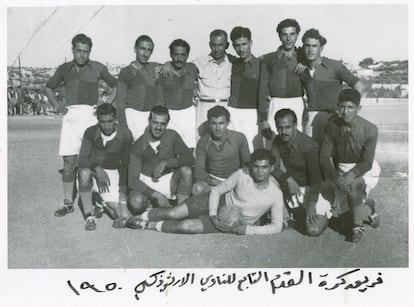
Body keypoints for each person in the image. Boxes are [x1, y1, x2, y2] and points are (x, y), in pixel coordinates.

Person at [126, 149, 284, 235]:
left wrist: (249, 230)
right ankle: (139, 217)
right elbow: (216, 191)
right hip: (219, 201)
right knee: (174, 213)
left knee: (187, 226)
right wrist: (213, 213)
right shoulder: (242, 174)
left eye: (264, 167)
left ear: (272, 168)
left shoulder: (275, 194)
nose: (260, 171)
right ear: (251, 166)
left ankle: (149, 225)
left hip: (233, 221)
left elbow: (277, 226)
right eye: (256, 166)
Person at [44, 33, 117, 217]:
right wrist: (56, 105)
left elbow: (115, 85)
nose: (82, 55)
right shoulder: (64, 69)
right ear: (73, 50)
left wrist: (104, 104)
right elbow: (48, 87)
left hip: (90, 116)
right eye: (79, 51)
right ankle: (68, 202)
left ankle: (98, 199)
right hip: (71, 116)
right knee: (69, 162)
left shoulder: (98, 67)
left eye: (86, 51)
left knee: (93, 160)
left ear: (90, 51)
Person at [319, 89, 380, 243]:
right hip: (341, 170)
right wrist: (335, 178)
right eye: (342, 107)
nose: (345, 112)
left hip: (364, 169)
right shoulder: (331, 127)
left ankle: (358, 226)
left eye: (350, 107)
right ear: (337, 107)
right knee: (343, 224)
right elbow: (324, 157)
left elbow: (366, 161)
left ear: (358, 108)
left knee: (353, 186)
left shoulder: (370, 129)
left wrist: (348, 177)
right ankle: (367, 206)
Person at [272, 108, 332, 236]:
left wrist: (312, 206)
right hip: (294, 187)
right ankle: (291, 214)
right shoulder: (277, 141)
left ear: (295, 125)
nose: (284, 132)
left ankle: (330, 215)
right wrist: (287, 178)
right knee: (269, 179)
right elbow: (272, 166)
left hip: (313, 190)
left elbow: (316, 179)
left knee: (313, 230)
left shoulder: (308, 146)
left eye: (288, 127)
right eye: (280, 128)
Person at [128, 106, 194, 216]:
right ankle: (153, 205)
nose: (158, 127)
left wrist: (166, 163)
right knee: (135, 202)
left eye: (162, 124)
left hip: (168, 180)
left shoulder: (172, 136)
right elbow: (132, 181)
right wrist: (157, 195)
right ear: (149, 121)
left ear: (167, 124)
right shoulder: (138, 145)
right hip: (147, 182)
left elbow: (190, 159)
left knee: (186, 171)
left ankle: (180, 211)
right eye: (155, 122)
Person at [300, 28, 364, 144]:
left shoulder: (335, 66)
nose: (310, 50)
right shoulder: (301, 68)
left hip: (333, 118)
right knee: (311, 156)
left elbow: (359, 85)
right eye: (307, 46)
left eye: (314, 46)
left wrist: (349, 110)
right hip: (310, 120)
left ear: (321, 48)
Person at [77, 103, 132, 230]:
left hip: (112, 173)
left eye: (110, 121)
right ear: (98, 120)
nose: (107, 126)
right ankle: (89, 217)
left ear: (115, 118)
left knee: (120, 215)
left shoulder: (125, 134)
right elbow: (82, 159)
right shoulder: (91, 131)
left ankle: (100, 201)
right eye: (103, 122)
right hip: (92, 170)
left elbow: (125, 165)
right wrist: (97, 168)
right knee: (84, 173)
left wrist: (122, 193)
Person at [259, 18, 306, 145]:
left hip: (297, 104)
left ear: (297, 35)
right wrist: (262, 119)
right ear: (279, 36)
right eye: (284, 34)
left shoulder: (304, 57)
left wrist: (305, 62)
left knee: (297, 143)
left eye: (292, 34)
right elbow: (262, 90)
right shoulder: (268, 59)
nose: (288, 38)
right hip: (275, 104)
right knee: (272, 142)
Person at [193, 105, 250, 196]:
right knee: (197, 189)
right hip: (213, 181)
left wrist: (244, 171)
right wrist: (218, 183)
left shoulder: (239, 138)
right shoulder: (203, 141)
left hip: (234, 178)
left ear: (228, 123)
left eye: (221, 123)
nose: (218, 128)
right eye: (214, 123)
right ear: (209, 124)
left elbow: (247, 162)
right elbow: (199, 171)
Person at [117, 35, 161, 141]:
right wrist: (124, 127)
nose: (145, 54)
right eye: (142, 49)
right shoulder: (126, 72)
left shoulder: (154, 68)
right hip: (132, 117)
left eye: (149, 50)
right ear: (135, 49)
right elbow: (120, 103)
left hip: (150, 118)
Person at [192, 29, 235, 138]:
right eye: (213, 45)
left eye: (220, 45)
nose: (216, 49)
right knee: (202, 141)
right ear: (210, 44)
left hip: (225, 107)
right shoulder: (198, 62)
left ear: (227, 45)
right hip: (203, 108)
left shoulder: (233, 63)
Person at [156, 39, 198, 148]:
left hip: (189, 115)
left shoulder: (192, 68)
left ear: (187, 55)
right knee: (169, 148)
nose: (179, 58)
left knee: (189, 147)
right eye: (176, 54)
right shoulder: (164, 72)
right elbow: (159, 99)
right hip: (170, 115)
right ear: (171, 54)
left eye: (183, 55)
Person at [228, 26, 262, 151]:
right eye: (237, 45)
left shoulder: (261, 64)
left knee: (249, 149)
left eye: (244, 44)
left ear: (251, 43)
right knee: (232, 149)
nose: (241, 49)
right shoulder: (231, 63)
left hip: (251, 114)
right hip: (232, 112)